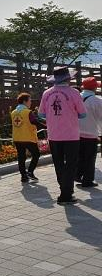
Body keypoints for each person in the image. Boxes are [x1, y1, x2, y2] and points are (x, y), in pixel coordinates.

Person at [39, 67, 87, 204]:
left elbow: (41, 114)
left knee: (58, 164)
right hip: (71, 135)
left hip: (54, 135)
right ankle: (67, 194)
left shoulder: (47, 93)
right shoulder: (74, 93)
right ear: (68, 78)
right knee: (70, 164)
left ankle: (63, 190)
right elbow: (83, 114)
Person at [76, 77, 102, 188]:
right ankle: (87, 181)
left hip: (75, 134)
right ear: (95, 88)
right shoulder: (97, 101)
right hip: (90, 134)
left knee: (80, 156)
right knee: (90, 158)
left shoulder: (76, 97)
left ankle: (77, 175)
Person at [11, 93, 42, 183]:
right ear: (25, 101)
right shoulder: (28, 112)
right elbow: (35, 122)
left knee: (21, 157)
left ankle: (23, 176)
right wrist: (47, 126)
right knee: (36, 154)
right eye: (30, 100)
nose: (30, 102)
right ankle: (30, 172)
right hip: (28, 137)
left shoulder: (13, 112)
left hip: (17, 138)